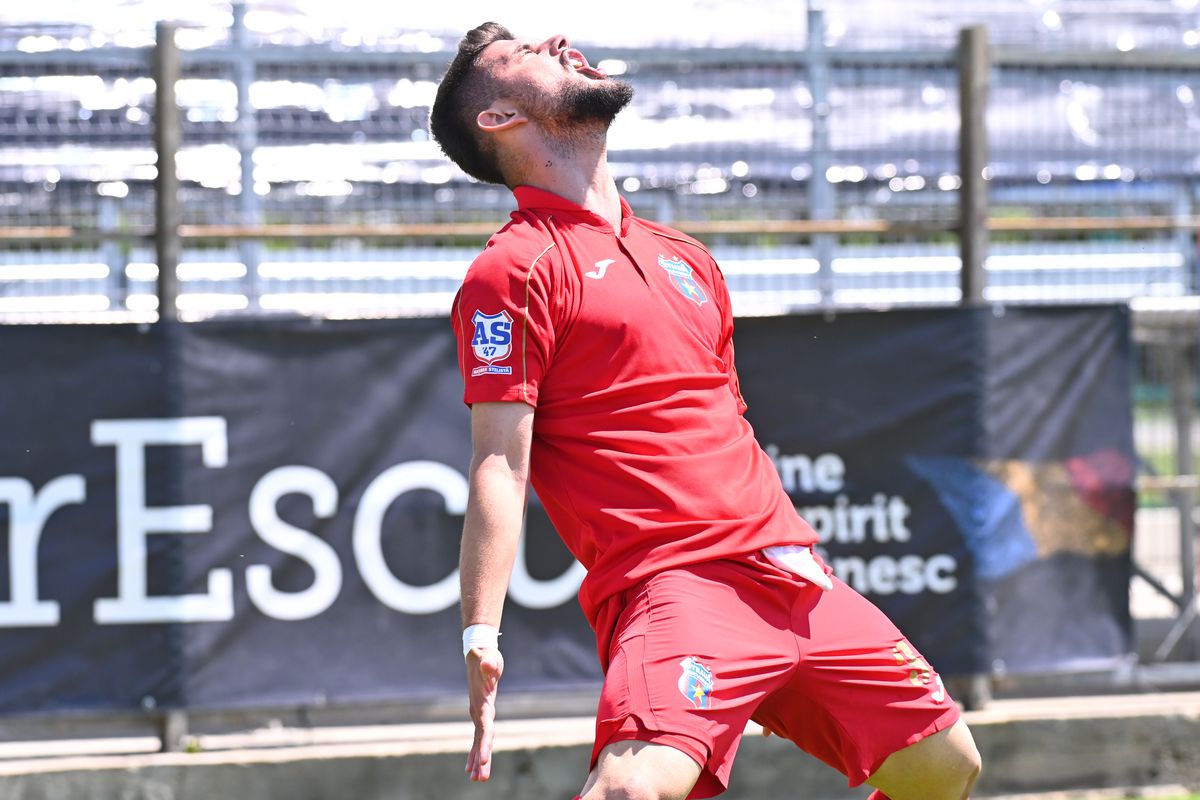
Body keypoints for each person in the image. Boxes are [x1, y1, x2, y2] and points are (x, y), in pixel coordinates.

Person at [429, 22, 982, 800]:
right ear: (497, 118)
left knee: (945, 766)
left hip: (792, 572)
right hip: (675, 583)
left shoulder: (687, 258)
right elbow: (499, 460)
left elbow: (726, 422)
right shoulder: (511, 270)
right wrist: (480, 632)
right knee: (629, 791)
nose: (558, 41)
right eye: (524, 54)